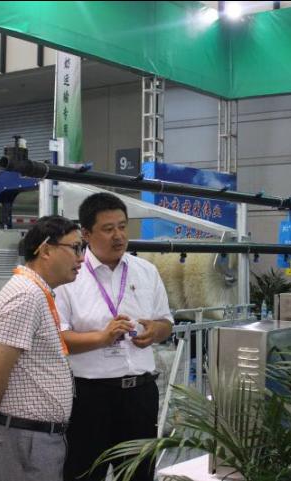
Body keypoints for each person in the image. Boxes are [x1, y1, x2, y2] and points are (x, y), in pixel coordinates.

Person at [55, 193, 174, 481]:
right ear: (86, 234)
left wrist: (155, 331)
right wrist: (102, 338)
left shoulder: (146, 271)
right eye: (108, 229)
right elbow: (59, 339)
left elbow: (166, 322)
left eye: (122, 226)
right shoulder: (70, 277)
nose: (118, 236)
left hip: (140, 395)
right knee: (84, 473)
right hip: (90, 397)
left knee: (138, 474)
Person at [0, 215, 85, 481]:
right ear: (46, 250)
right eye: (75, 248)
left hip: (31, 439)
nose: (81, 258)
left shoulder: (35, 292)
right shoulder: (27, 296)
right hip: (25, 441)